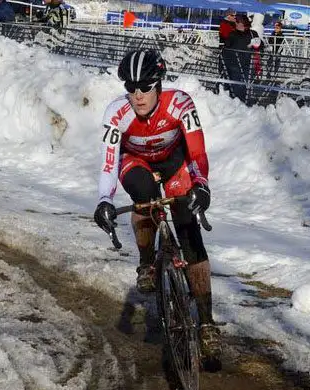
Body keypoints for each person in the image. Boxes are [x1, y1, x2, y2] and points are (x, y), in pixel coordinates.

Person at [92, 49, 222, 364]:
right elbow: (109, 163)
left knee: (190, 233)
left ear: (159, 84)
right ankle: (147, 261)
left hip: (175, 161)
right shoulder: (116, 112)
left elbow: (197, 151)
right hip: (134, 162)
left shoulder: (180, 104)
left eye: (145, 87)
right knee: (144, 195)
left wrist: (201, 185)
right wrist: (104, 200)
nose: (137, 95)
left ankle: (206, 322)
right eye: (130, 88)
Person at [223, 13, 263, 104]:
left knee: (245, 86)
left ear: (243, 23)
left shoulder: (253, 33)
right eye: (235, 21)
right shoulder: (232, 34)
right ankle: (237, 104)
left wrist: (258, 44)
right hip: (234, 65)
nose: (235, 23)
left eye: (237, 21)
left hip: (248, 65)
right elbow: (225, 49)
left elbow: (260, 46)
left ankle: (243, 105)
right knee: (236, 86)